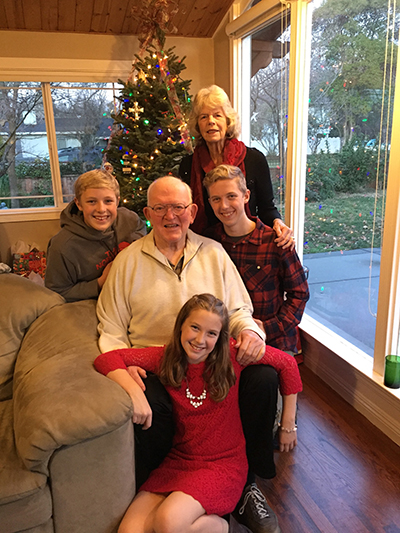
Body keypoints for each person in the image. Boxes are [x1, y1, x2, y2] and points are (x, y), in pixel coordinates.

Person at [97, 175, 281, 533]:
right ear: (148, 213)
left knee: (263, 378)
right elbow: (111, 330)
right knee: (150, 401)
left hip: (214, 363)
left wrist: (250, 332)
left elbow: (240, 309)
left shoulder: (214, 253)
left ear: (193, 212)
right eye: (161, 208)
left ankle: (246, 487)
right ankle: (166, 488)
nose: (171, 216)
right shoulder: (127, 262)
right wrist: (125, 374)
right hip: (157, 368)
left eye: (179, 207)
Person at [94, 294, 302, 533]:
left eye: (211, 334)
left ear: (220, 338)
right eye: (195, 327)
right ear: (181, 324)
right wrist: (134, 391)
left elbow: (287, 364)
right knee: (129, 531)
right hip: (180, 461)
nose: (200, 340)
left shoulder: (233, 356)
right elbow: (107, 358)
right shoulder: (165, 358)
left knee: (168, 522)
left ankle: (221, 528)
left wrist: (287, 426)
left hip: (223, 464)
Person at [203, 164, 310, 353]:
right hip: (224, 342)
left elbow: (299, 293)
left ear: (246, 196)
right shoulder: (208, 241)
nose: (224, 206)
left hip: (272, 341)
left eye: (231, 196)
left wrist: (268, 327)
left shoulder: (276, 241)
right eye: (216, 199)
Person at [179, 84, 294, 249]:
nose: (210, 121)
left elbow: (266, 207)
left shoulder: (254, 159)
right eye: (203, 117)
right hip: (204, 249)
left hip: (246, 246)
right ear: (198, 125)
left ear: (228, 121)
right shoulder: (187, 165)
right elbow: (186, 213)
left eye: (217, 115)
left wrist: (278, 222)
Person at [45, 169, 146, 302]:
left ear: (117, 201)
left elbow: (141, 228)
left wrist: (132, 248)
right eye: (92, 202)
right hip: (93, 303)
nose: (101, 209)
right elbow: (56, 292)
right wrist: (100, 283)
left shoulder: (128, 219)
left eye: (108, 201)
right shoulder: (62, 247)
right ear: (79, 204)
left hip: (133, 293)